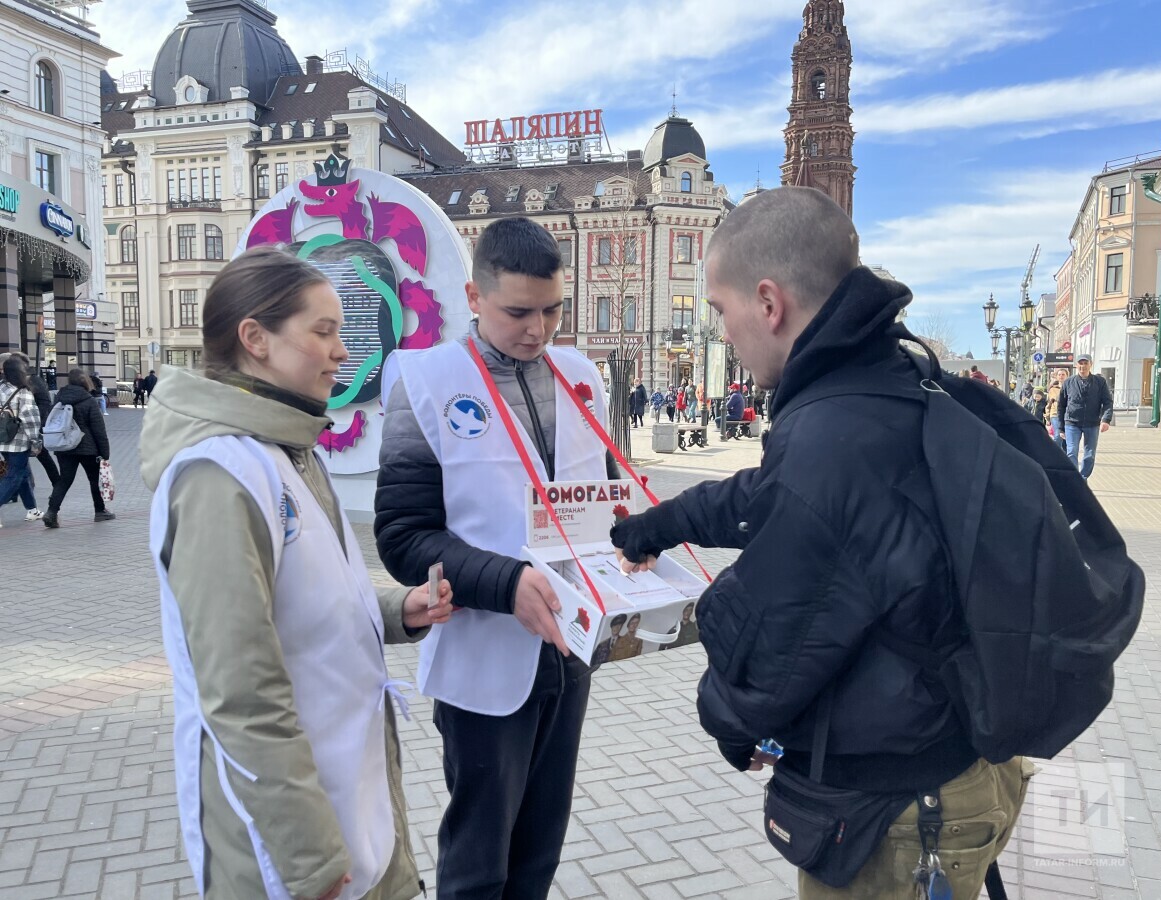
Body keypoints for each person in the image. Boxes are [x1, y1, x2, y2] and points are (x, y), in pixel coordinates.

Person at [610, 188, 1029, 900]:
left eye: (720, 310)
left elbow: (777, 629)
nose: (723, 332)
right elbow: (779, 496)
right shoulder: (885, 379)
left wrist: (730, 720)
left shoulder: (831, 430)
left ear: (768, 303)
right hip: (958, 762)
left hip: (896, 815)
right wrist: (662, 523)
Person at [141, 246, 452, 900]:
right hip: (284, 844)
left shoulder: (287, 449)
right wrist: (309, 857)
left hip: (345, 795)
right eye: (323, 331)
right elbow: (240, 689)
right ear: (255, 338)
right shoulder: (218, 476)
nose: (342, 351)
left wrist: (395, 611)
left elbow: (310, 592)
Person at [375, 217, 617, 900]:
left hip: (569, 650)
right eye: (518, 312)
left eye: (552, 310)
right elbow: (402, 536)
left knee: (540, 850)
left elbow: (604, 499)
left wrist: (636, 546)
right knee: (480, 864)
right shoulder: (426, 381)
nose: (538, 330)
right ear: (474, 296)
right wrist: (506, 583)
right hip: (484, 655)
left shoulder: (580, 376)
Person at [42, 369, 115, 529]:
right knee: (94, 479)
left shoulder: (59, 399)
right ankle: (100, 511)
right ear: (85, 381)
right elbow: (99, 429)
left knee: (64, 480)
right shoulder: (88, 400)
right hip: (87, 448)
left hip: (64, 446)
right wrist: (105, 452)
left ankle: (51, 512)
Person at [0, 355, 46, 525]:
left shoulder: (1, 388)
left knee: (23, 474)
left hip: (2, 439)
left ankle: (32, 509)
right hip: (18, 442)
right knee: (14, 476)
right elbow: (31, 420)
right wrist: (36, 442)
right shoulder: (23, 392)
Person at [1057, 354, 1113, 479]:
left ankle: (1083, 477)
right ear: (1076, 365)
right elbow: (1061, 406)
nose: (1083, 366)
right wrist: (1061, 427)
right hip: (1072, 423)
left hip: (1092, 423)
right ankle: (1075, 479)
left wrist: (1106, 419)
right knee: (1071, 452)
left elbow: (1107, 402)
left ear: (1090, 364)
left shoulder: (1100, 382)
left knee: (1090, 454)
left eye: (1085, 363)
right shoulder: (1068, 382)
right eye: (1080, 363)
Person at [10, 351, 60, 488]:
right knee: (19, 458)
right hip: (15, 426)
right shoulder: (14, 380)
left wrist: (38, 422)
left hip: (31, 425)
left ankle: (57, 483)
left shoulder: (34, 380)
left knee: (42, 455)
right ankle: (25, 486)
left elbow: (44, 402)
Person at [1046, 368, 1068, 449]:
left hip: (1067, 415)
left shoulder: (1071, 387)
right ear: (1057, 377)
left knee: (1066, 438)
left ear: (1067, 376)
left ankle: (1065, 455)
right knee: (1058, 435)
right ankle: (1055, 453)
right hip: (1055, 414)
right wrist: (1047, 417)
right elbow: (1049, 404)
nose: (1061, 376)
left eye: (1063, 374)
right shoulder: (1053, 389)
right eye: (1059, 375)